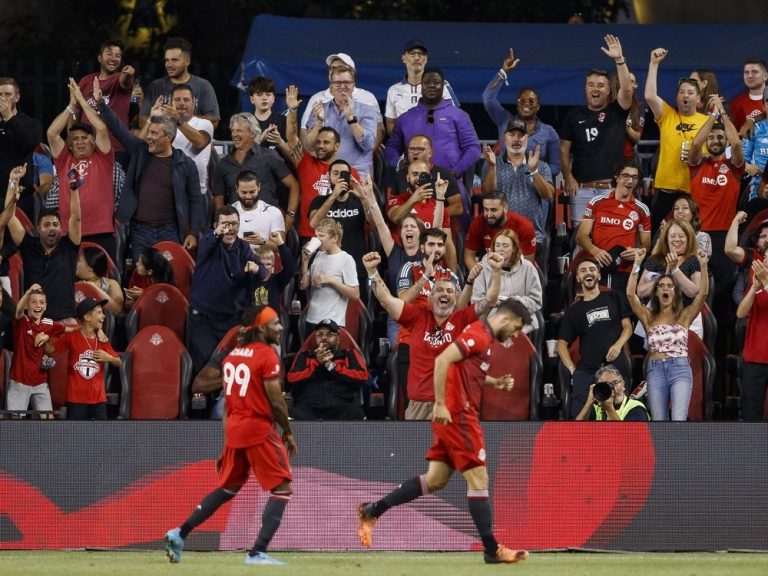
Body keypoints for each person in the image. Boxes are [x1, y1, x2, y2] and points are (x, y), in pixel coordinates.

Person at [357, 298, 531, 565]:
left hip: (455, 415)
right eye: (517, 328)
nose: (516, 334)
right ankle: (491, 549)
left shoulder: (484, 341)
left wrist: (495, 382)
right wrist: (439, 403)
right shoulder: (479, 335)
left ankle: (373, 510)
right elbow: (443, 360)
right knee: (479, 479)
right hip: (458, 416)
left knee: (435, 479)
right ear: (506, 319)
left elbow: (468, 371)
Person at [164, 305, 296, 566]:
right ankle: (257, 552)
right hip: (258, 428)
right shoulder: (267, 356)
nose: (280, 328)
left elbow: (227, 404)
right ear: (261, 328)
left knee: (228, 488)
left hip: (235, 428)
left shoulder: (232, 357)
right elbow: (277, 402)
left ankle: (179, 533)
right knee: (282, 488)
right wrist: (288, 431)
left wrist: (227, 445)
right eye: (275, 323)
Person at [364, 250, 501, 420]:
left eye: (450, 291)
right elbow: (386, 300)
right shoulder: (416, 316)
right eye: (440, 290)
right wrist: (373, 272)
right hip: (418, 406)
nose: (445, 294)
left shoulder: (462, 318)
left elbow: (490, 301)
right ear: (430, 297)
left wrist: (496, 272)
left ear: (456, 298)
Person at [96, 83, 203, 263]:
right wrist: (101, 105)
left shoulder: (186, 164)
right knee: (141, 279)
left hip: (170, 231)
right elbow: (119, 130)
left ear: (168, 138)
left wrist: (193, 233)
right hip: (140, 231)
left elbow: (196, 200)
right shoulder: (140, 151)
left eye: (154, 133)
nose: (149, 137)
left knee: (168, 280)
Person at [386, 67, 480, 220]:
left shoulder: (459, 115)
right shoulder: (405, 118)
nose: (431, 86)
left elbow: (474, 149)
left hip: (449, 183)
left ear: (443, 86)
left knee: (457, 228)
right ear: (420, 86)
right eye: (427, 82)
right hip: (411, 184)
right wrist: (399, 163)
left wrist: (454, 172)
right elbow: (391, 148)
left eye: (436, 83)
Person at [629, 247, 709, 421]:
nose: (665, 289)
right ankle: (662, 449)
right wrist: (636, 264)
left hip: (679, 368)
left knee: (679, 417)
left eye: (670, 286)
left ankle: (677, 449)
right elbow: (630, 294)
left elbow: (702, 294)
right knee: (659, 420)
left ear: (675, 291)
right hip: (655, 369)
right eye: (661, 286)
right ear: (656, 292)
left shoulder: (684, 316)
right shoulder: (648, 317)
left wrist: (703, 266)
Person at [560, 35, 633, 226]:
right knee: (580, 238)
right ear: (585, 88)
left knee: (611, 234)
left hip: (611, 188)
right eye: (591, 84)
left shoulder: (616, 111)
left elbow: (627, 91)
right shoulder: (573, 116)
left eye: (601, 85)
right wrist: (568, 177)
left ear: (609, 90)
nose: (595, 88)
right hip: (582, 190)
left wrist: (619, 59)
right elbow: (563, 150)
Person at [188, 206, 266, 377]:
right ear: (216, 225)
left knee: (229, 368)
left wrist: (256, 268)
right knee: (204, 369)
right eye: (225, 224)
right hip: (203, 319)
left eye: (234, 224)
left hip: (230, 320)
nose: (230, 229)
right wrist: (217, 233)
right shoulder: (208, 241)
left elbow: (262, 272)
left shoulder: (243, 247)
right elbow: (208, 244)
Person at [557, 256, 633, 419]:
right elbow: (561, 344)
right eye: (583, 270)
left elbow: (628, 327)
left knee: (616, 413)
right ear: (578, 278)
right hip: (588, 370)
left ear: (598, 275)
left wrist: (618, 345)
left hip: (615, 367)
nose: (588, 273)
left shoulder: (615, 297)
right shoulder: (574, 310)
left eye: (592, 269)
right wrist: (572, 369)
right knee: (581, 418)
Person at [48, 78, 117, 258]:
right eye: (75, 139)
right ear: (69, 144)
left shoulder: (104, 158)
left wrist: (81, 100)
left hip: (101, 232)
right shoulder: (64, 160)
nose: (79, 142)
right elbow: (52, 133)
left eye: (84, 138)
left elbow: (101, 129)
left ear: (93, 142)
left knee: (104, 283)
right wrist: (71, 106)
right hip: (69, 232)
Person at [644, 48, 709, 232]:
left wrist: (700, 155)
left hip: (694, 189)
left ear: (698, 99)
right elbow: (649, 95)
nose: (685, 95)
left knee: (695, 233)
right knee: (655, 230)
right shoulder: (667, 115)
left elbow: (716, 151)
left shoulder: (707, 122)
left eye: (690, 92)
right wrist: (654, 64)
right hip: (666, 189)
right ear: (676, 97)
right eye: (681, 92)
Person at [7, 164, 81, 321]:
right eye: (46, 225)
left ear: (61, 228)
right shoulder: (29, 245)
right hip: (35, 321)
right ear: (38, 228)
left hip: (65, 320)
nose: (51, 228)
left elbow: (76, 218)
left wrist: (74, 190)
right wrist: (13, 183)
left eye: (55, 224)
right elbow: (10, 218)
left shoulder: (69, 246)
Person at [688, 97, 744, 303]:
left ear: (725, 141)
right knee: (696, 292)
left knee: (722, 292)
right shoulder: (696, 164)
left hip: (724, 237)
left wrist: (722, 111)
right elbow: (695, 143)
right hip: (697, 234)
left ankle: (720, 335)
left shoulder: (735, 166)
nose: (715, 141)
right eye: (711, 138)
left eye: (720, 137)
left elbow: (737, 142)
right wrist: (713, 116)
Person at [576, 160, 651, 293]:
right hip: (597, 268)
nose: (630, 181)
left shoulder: (642, 209)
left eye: (634, 177)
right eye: (625, 176)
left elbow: (647, 243)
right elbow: (581, 236)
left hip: (625, 270)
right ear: (617, 177)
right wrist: (595, 251)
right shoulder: (597, 202)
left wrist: (638, 251)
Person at [481, 48, 560, 174]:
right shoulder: (505, 121)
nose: (526, 104)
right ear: (516, 105)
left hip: (536, 187)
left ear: (538, 106)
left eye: (531, 101)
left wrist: (530, 173)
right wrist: (503, 72)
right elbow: (487, 98)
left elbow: (555, 167)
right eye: (521, 100)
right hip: (506, 187)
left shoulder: (549, 132)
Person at [213, 113, 299, 224]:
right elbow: (218, 198)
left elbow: (294, 185)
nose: (234, 134)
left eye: (239, 130)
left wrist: (289, 218)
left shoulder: (269, 156)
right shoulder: (223, 164)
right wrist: (221, 222)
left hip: (269, 223)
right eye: (233, 131)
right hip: (237, 226)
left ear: (252, 133)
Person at [481, 119, 554, 248]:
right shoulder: (491, 163)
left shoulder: (541, 166)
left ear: (527, 138)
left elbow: (548, 195)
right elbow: (488, 194)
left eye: (521, 135)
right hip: (499, 237)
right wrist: (492, 166)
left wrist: (534, 171)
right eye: (512, 135)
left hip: (532, 236)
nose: (516, 139)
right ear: (505, 137)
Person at [141, 84, 214, 200]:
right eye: (177, 99)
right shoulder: (163, 126)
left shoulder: (204, 124)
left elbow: (200, 142)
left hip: (196, 193)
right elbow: (139, 146)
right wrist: (151, 118)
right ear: (170, 103)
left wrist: (177, 120)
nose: (182, 103)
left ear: (194, 103)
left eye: (186, 100)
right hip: (168, 192)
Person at [303, 65, 378, 178]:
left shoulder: (367, 110)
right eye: (337, 83)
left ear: (353, 85)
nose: (342, 86)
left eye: (347, 82)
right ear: (331, 88)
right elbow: (308, 146)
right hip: (325, 175)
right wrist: (319, 122)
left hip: (357, 175)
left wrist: (351, 119)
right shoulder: (320, 109)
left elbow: (368, 145)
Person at [308, 159, 373, 289]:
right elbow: (313, 223)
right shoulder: (319, 201)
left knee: (357, 307)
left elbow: (374, 224)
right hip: (327, 264)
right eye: (335, 173)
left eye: (343, 174)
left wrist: (364, 198)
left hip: (356, 263)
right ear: (329, 177)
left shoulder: (358, 200)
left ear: (350, 177)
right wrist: (333, 196)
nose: (339, 177)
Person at [286, 318, 368, 420]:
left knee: (356, 412)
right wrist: (317, 364)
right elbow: (292, 378)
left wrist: (331, 366)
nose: (324, 337)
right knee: (296, 413)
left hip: (342, 407)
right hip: (310, 408)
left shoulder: (349, 354)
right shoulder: (305, 356)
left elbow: (363, 377)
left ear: (338, 339)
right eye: (320, 334)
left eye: (329, 334)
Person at [54, 297, 122, 420]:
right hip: (75, 398)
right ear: (87, 317)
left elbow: (120, 363)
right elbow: (51, 350)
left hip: (98, 399)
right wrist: (46, 335)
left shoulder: (102, 340)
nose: (104, 316)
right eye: (99, 313)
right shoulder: (71, 337)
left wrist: (109, 358)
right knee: (76, 436)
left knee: (100, 436)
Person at [5, 285, 66, 417]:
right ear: (27, 306)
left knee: (48, 420)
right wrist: (27, 293)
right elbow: (18, 311)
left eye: (41, 302)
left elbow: (71, 330)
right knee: (15, 423)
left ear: (45, 306)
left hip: (40, 383)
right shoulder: (22, 322)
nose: (38, 305)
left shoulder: (49, 324)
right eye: (33, 302)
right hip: (19, 382)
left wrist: (96, 330)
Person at [300, 53, 384, 147]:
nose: (334, 71)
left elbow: (379, 130)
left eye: (340, 67)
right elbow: (305, 132)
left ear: (351, 72)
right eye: (332, 68)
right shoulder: (317, 98)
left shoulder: (367, 97)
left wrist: (368, 156)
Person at [386, 160, 456, 270]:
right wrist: (414, 199)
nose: (419, 178)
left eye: (423, 174)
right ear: (407, 178)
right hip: (404, 265)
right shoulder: (397, 200)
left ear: (429, 177)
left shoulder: (439, 205)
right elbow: (395, 217)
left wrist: (453, 275)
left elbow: (447, 242)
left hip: (433, 267)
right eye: (415, 174)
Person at [471, 229, 542, 334]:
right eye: (498, 245)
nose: (500, 249)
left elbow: (536, 301)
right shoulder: (483, 268)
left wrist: (514, 302)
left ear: (514, 248)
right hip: (492, 322)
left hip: (521, 322)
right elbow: (476, 302)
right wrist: (494, 304)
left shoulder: (528, 268)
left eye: (505, 246)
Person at [77, 40, 135, 168]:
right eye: (109, 54)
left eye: (117, 55)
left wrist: (128, 74)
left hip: (116, 149)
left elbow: (125, 82)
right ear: (99, 58)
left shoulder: (119, 78)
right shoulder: (86, 81)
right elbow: (76, 112)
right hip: (87, 148)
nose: (114, 58)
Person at [140, 37, 220, 128]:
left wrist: (179, 119)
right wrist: (170, 119)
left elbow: (214, 121)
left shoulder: (203, 86)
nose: (169, 65)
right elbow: (142, 121)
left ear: (187, 61)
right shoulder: (155, 86)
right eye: (167, 60)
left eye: (174, 60)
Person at [384, 39, 458, 135]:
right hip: (405, 146)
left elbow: (453, 116)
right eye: (412, 54)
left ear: (426, 59)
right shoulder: (393, 90)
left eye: (421, 54)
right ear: (403, 58)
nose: (417, 57)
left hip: (434, 143)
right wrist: (398, 143)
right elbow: (390, 122)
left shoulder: (440, 85)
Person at [299, 217, 359, 334]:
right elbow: (303, 286)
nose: (317, 239)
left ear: (335, 238)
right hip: (312, 319)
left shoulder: (346, 259)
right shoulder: (318, 255)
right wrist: (305, 262)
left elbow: (355, 294)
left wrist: (331, 280)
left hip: (333, 321)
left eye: (321, 236)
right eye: (316, 236)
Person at [389, 134, 463, 219]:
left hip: (436, 225)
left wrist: (431, 217)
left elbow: (458, 207)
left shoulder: (444, 174)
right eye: (412, 149)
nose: (415, 152)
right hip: (407, 223)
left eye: (420, 149)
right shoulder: (400, 175)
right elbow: (392, 207)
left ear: (430, 153)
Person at [464, 190, 536, 270]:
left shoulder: (524, 226)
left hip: (517, 271)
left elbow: (527, 263)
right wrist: (481, 277)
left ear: (505, 208)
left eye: (493, 210)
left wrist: (507, 281)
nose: (489, 215)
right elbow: (469, 256)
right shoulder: (478, 223)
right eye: (486, 209)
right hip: (489, 269)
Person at [0, 77, 43, 205]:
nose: (2, 98)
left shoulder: (31, 123)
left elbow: (30, 142)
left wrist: (9, 117)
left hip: (21, 195)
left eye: (7, 94)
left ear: (17, 97)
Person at [735, 254, 768, 421]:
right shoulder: (757, 284)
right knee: (751, 413)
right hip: (754, 356)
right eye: (767, 257)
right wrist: (754, 288)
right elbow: (741, 313)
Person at [231, 170, 285, 250]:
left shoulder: (273, 212)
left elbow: (280, 248)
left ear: (259, 187)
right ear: (237, 189)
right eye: (244, 192)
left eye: (252, 192)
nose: (248, 196)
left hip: (265, 260)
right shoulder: (229, 212)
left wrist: (262, 242)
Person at [575, 365, 649, 421]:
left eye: (615, 382)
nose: (612, 388)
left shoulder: (636, 408)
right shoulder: (596, 408)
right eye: (606, 385)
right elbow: (575, 431)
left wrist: (609, 409)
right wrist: (588, 403)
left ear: (623, 384)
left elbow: (627, 439)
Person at [252, 231, 297, 312]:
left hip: (271, 322)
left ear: (273, 266)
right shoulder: (248, 279)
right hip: (251, 322)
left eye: (268, 264)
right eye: (261, 264)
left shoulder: (277, 281)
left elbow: (290, 268)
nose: (265, 268)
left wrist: (280, 243)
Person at [741, 87, 768, 218]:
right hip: (757, 192)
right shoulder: (754, 129)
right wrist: (748, 168)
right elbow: (740, 162)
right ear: (764, 105)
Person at [75, 246, 124, 316]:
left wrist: (94, 288)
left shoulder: (111, 284)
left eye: (78, 260)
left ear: (90, 267)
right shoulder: (71, 283)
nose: (75, 263)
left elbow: (117, 310)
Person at [610, 69, 645, 161]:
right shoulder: (606, 103)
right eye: (631, 82)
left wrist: (628, 128)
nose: (634, 86)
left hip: (627, 159)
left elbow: (637, 138)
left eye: (635, 83)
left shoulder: (638, 105)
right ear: (619, 82)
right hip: (606, 158)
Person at [730, 58, 767, 137]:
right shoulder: (736, 103)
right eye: (746, 72)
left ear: (765, 76)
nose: (750, 76)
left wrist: (752, 120)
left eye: (755, 72)